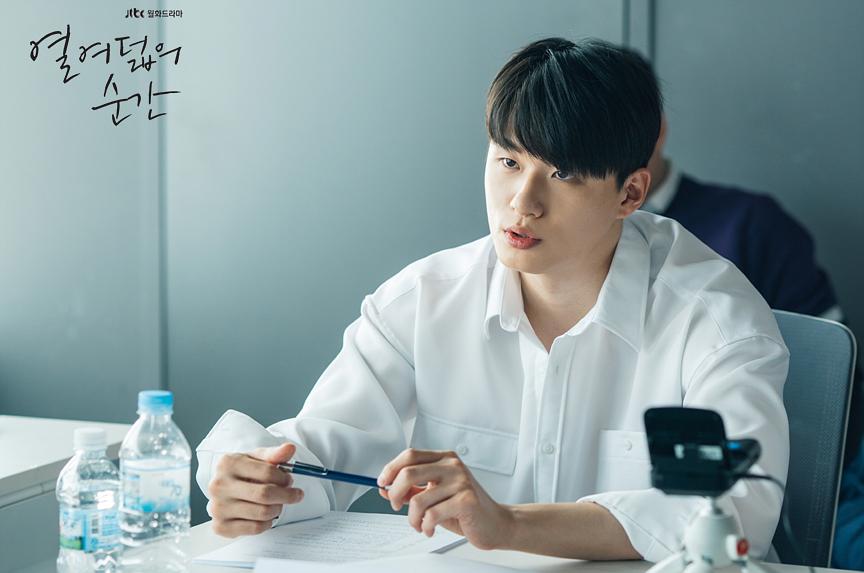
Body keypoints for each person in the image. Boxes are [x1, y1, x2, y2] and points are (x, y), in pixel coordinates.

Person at [195, 38, 789, 562]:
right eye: (509, 161)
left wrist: (509, 524)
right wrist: (260, 489)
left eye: (562, 175)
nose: (522, 202)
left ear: (630, 193)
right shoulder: (424, 300)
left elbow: (738, 514)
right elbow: (322, 451)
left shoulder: (716, 320)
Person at [642, 113, 863, 570]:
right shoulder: (558, 251)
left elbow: (831, 386)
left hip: (775, 475)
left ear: (656, 130)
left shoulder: (750, 225)